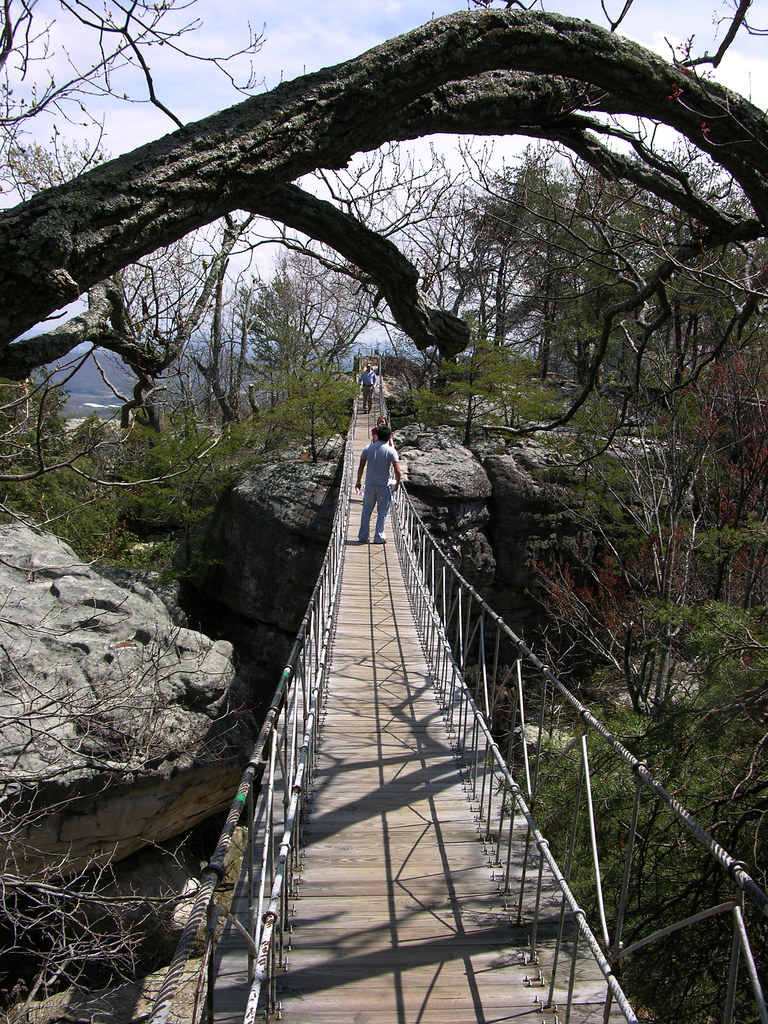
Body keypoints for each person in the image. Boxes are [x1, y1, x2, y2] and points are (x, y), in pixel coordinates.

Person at [355, 424, 401, 544]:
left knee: (366, 511)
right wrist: (397, 484)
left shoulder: (368, 448)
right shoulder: (391, 451)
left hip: (369, 484)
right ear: (388, 437)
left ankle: (363, 537)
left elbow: (361, 467)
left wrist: (358, 481)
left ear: (377, 435)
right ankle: (379, 537)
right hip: (383, 485)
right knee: (382, 512)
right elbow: (398, 471)